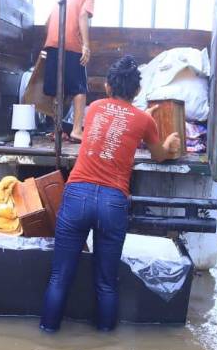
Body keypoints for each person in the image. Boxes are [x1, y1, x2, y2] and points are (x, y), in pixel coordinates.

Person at [39, 55, 182, 333]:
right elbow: (159, 155)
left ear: (106, 87)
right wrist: (168, 142)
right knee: (105, 283)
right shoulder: (143, 120)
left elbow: (115, 120)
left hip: (77, 195)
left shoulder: (93, 108)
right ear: (138, 91)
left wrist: (140, 118)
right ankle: (106, 343)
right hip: (112, 203)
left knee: (59, 278)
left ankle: (47, 335)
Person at [41, 0, 95, 141]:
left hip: (52, 44)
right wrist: (85, 45)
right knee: (79, 88)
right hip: (72, 45)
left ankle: (57, 130)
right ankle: (77, 130)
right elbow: (83, 16)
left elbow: (47, 23)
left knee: (57, 90)